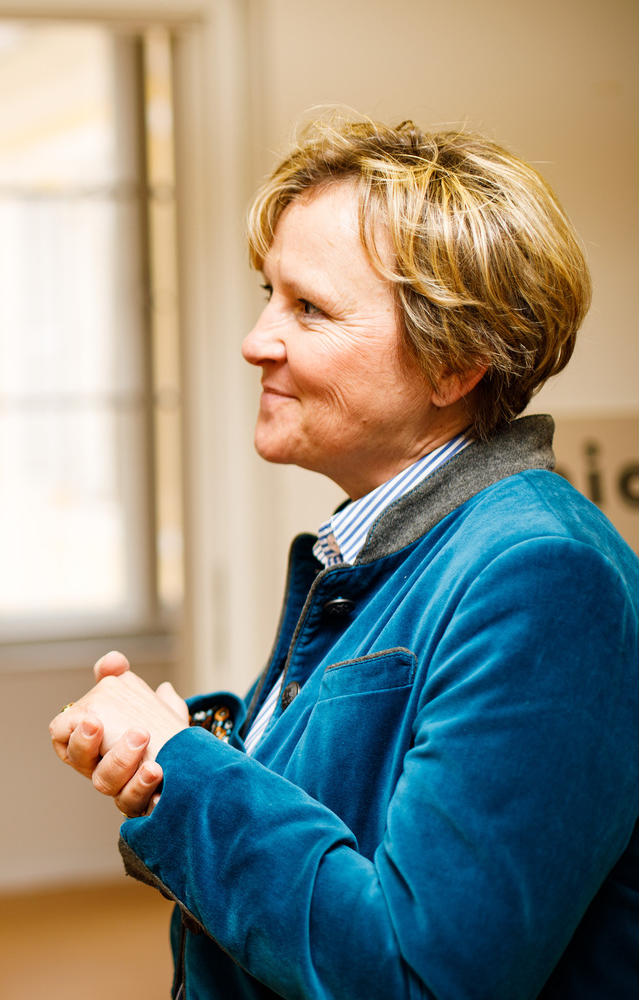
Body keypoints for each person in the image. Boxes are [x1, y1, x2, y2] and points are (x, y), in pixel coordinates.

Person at [50, 118, 639, 998]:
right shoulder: (380, 544)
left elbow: (418, 975)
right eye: (270, 295)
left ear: (456, 364)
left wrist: (191, 772)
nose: (256, 340)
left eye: (309, 309)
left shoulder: (543, 579)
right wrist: (176, 754)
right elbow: (352, 799)